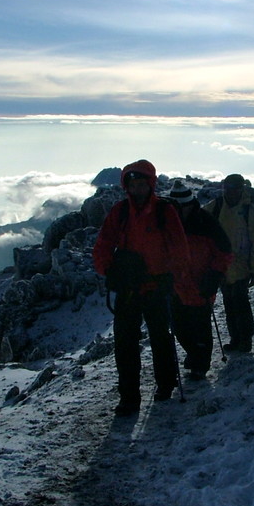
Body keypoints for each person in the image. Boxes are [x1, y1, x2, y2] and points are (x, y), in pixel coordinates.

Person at [93, 159, 198, 417]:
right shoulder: (120, 212)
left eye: (142, 184)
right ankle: (129, 397)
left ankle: (166, 383)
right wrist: (108, 271)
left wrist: (174, 275)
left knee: (160, 337)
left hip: (156, 286)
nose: (137, 190)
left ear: (150, 185)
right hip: (129, 289)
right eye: (133, 185)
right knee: (125, 344)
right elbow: (104, 244)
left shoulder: (164, 211)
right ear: (127, 186)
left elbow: (179, 247)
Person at [167, 180, 233, 380]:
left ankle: (200, 365)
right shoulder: (167, 224)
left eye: (182, 208)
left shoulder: (206, 222)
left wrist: (213, 277)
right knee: (179, 327)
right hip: (176, 286)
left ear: (189, 204)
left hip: (201, 285)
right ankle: (194, 355)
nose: (179, 212)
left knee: (200, 327)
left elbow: (224, 252)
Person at [203, 174, 254, 353]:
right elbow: (200, 220)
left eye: (234, 189)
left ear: (241, 189)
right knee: (230, 303)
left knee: (240, 303)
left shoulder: (248, 211)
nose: (230, 192)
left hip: (242, 267)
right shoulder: (216, 207)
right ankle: (236, 338)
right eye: (227, 188)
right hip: (221, 266)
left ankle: (245, 339)